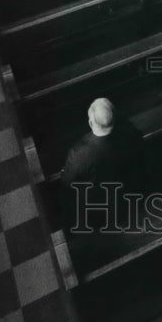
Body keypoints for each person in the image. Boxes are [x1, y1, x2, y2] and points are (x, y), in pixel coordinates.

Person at [60, 98, 146, 231]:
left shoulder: (79, 153)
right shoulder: (129, 131)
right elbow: (139, 145)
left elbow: (67, 181)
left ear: (90, 122)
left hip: (97, 202)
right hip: (127, 189)